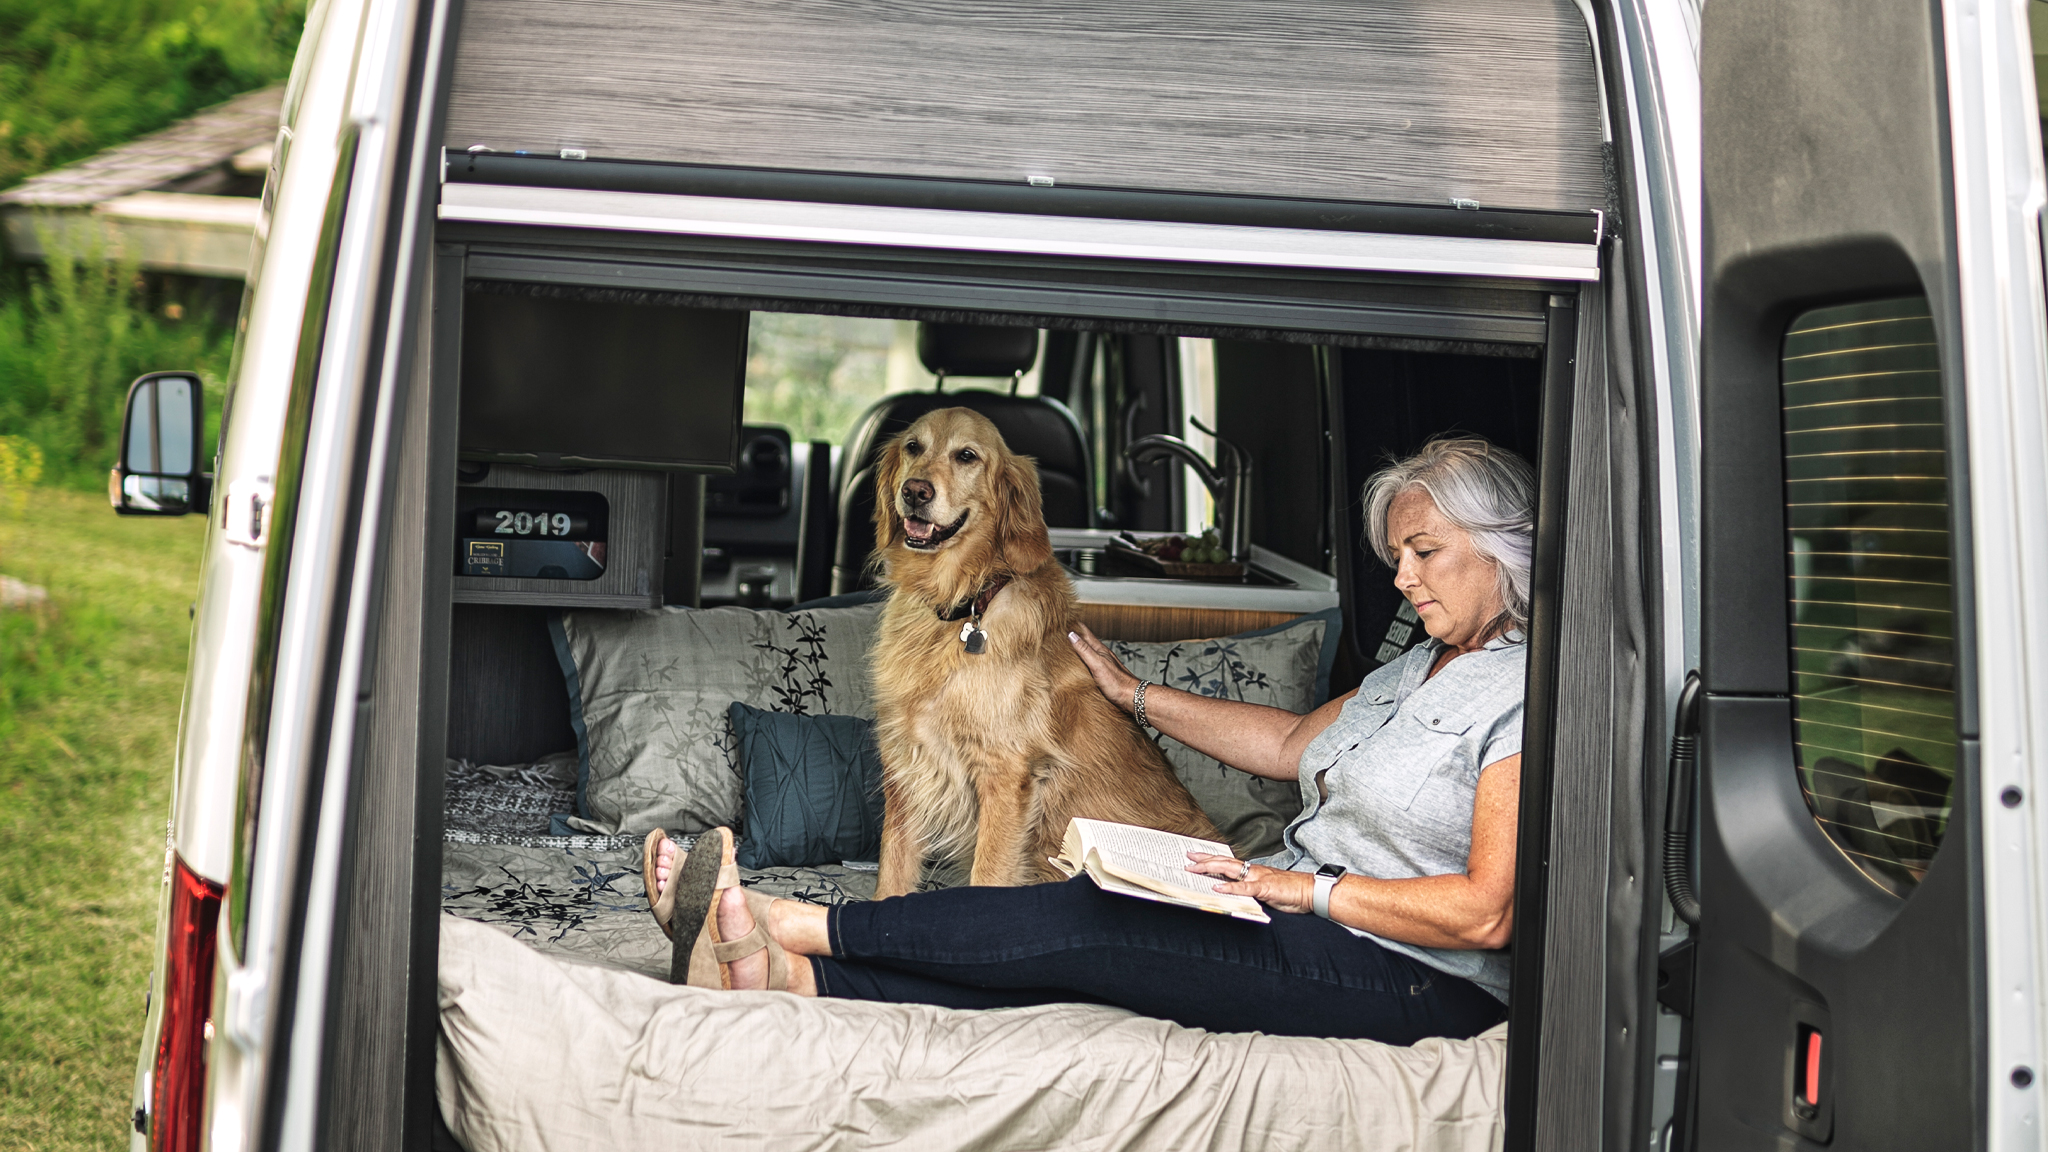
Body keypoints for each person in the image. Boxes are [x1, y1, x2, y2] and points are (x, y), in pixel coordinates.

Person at [648, 436, 1533, 1044]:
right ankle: (798, 981)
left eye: (1424, 552)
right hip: (1295, 918)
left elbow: (1486, 912)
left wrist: (1299, 890)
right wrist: (1135, 693)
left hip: (1410, 978)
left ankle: (790, 922)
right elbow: (1292, 741)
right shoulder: (1417, 666)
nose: (1403, 577)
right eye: (1396, 557)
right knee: (1095, 933)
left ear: (1501, 551)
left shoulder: (1526, 695)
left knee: (1096, 919)